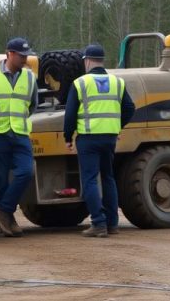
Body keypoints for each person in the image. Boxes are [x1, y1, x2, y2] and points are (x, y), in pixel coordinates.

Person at [63, 43, 136, 237]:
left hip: (88, 138)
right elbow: (130, 108)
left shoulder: (80, 83)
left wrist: (67, 136)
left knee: (89, 180)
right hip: (110, 138)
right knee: (108, 177)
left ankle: (98, 223)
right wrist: (117, 126)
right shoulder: (117, 82)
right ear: (102, 61)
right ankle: (112, 223)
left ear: (87, 61)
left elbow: (70, 114)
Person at [0, 37, 37, 237]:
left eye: (26, 55)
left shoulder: (30, 77)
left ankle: (4, 209)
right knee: (1, 181)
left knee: (26, 171)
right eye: (21, 56)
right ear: (10, 54)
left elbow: (32, 104)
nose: (25, 59)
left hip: (20, 133)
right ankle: (7, 218)